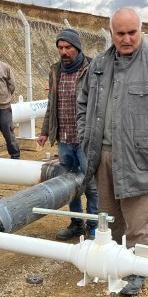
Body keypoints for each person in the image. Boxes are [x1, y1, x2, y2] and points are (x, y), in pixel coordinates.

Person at [76, 8, 148, 296]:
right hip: (104, 158)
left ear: (141, 30)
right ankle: (115, 263)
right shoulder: (100, 64)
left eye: (132, 32)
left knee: (141, 223)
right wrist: (85, 136)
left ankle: (138, 270)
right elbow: (82, 102)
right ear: (111, 34)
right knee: (109, 218)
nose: (126, 39)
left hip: (144, 160)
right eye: (120, 33)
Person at [38, 29, 99, 240]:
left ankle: (94, 226)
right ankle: (76, 223)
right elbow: (51, 104)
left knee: (91, 185)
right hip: (64, 140)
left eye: (68, 48)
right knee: (69, 184)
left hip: (85, 140)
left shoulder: (92, 68)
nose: (64, 52)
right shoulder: (56, 70)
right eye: (60, 48)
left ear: (77, 47)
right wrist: (45, 131)